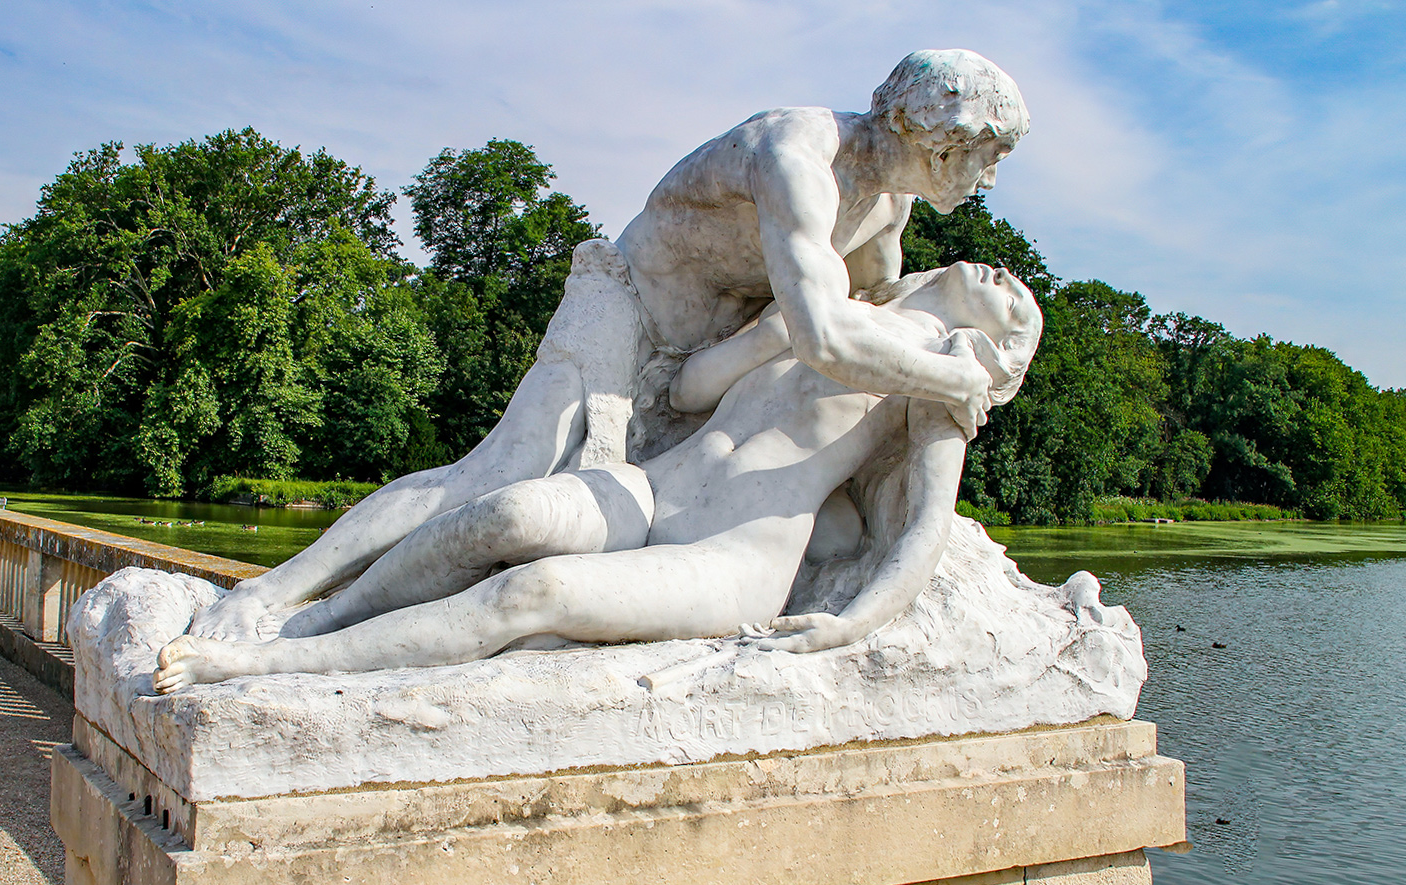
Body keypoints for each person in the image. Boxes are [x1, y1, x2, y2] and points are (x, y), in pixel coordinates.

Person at [185, 49, 1030, 643]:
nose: (988, 179)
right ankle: (277, 594)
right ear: (942, 136)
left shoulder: (889, 211)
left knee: (558, 520)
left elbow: (875, 313)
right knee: (501, 469)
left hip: (713, 359)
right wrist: (957, 377)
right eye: (987, 156)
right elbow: (823, 332)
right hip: (630, 308)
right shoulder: (798, 152)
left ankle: (434, 630)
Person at [154, 261, 1041, 689]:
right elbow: (693, 387)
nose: (1009, 279)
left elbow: (924, 527)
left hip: (734, 553)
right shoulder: (832, 313)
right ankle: (314, 629)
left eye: (1020, 302)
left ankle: (261, 672)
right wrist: (776, 333)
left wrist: (845, 628)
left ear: (1004, 349)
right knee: (499, 516)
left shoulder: (948, 378)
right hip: (658, 487)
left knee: (530, 594)